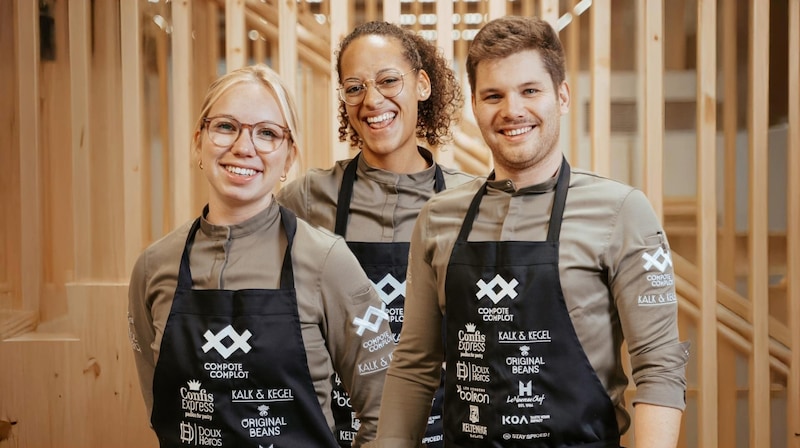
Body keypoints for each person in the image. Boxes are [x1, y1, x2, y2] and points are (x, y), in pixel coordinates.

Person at [372, 16, 690, 448]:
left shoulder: (621, 212)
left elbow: (659, 367)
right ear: (476, 106)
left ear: (561, 96)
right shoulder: (438, 218)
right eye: (493, 95)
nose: (512, 110)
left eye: (530, 91)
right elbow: (413, 364)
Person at [127, 64, 394, 448]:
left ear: (288, 158)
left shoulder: (328, 262)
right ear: (198, 141)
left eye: (267, 133)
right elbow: (160, 407)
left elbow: (386, 414)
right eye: (225, 127)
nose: (243, 146)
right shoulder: (153, 267)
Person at [277, 21, 476, 447]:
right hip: (344, 432)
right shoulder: (309, 198)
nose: (372, 100)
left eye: (388, 80)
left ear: (422, 85)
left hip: (449, 432)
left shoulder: (471, 200)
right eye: (354, 87)